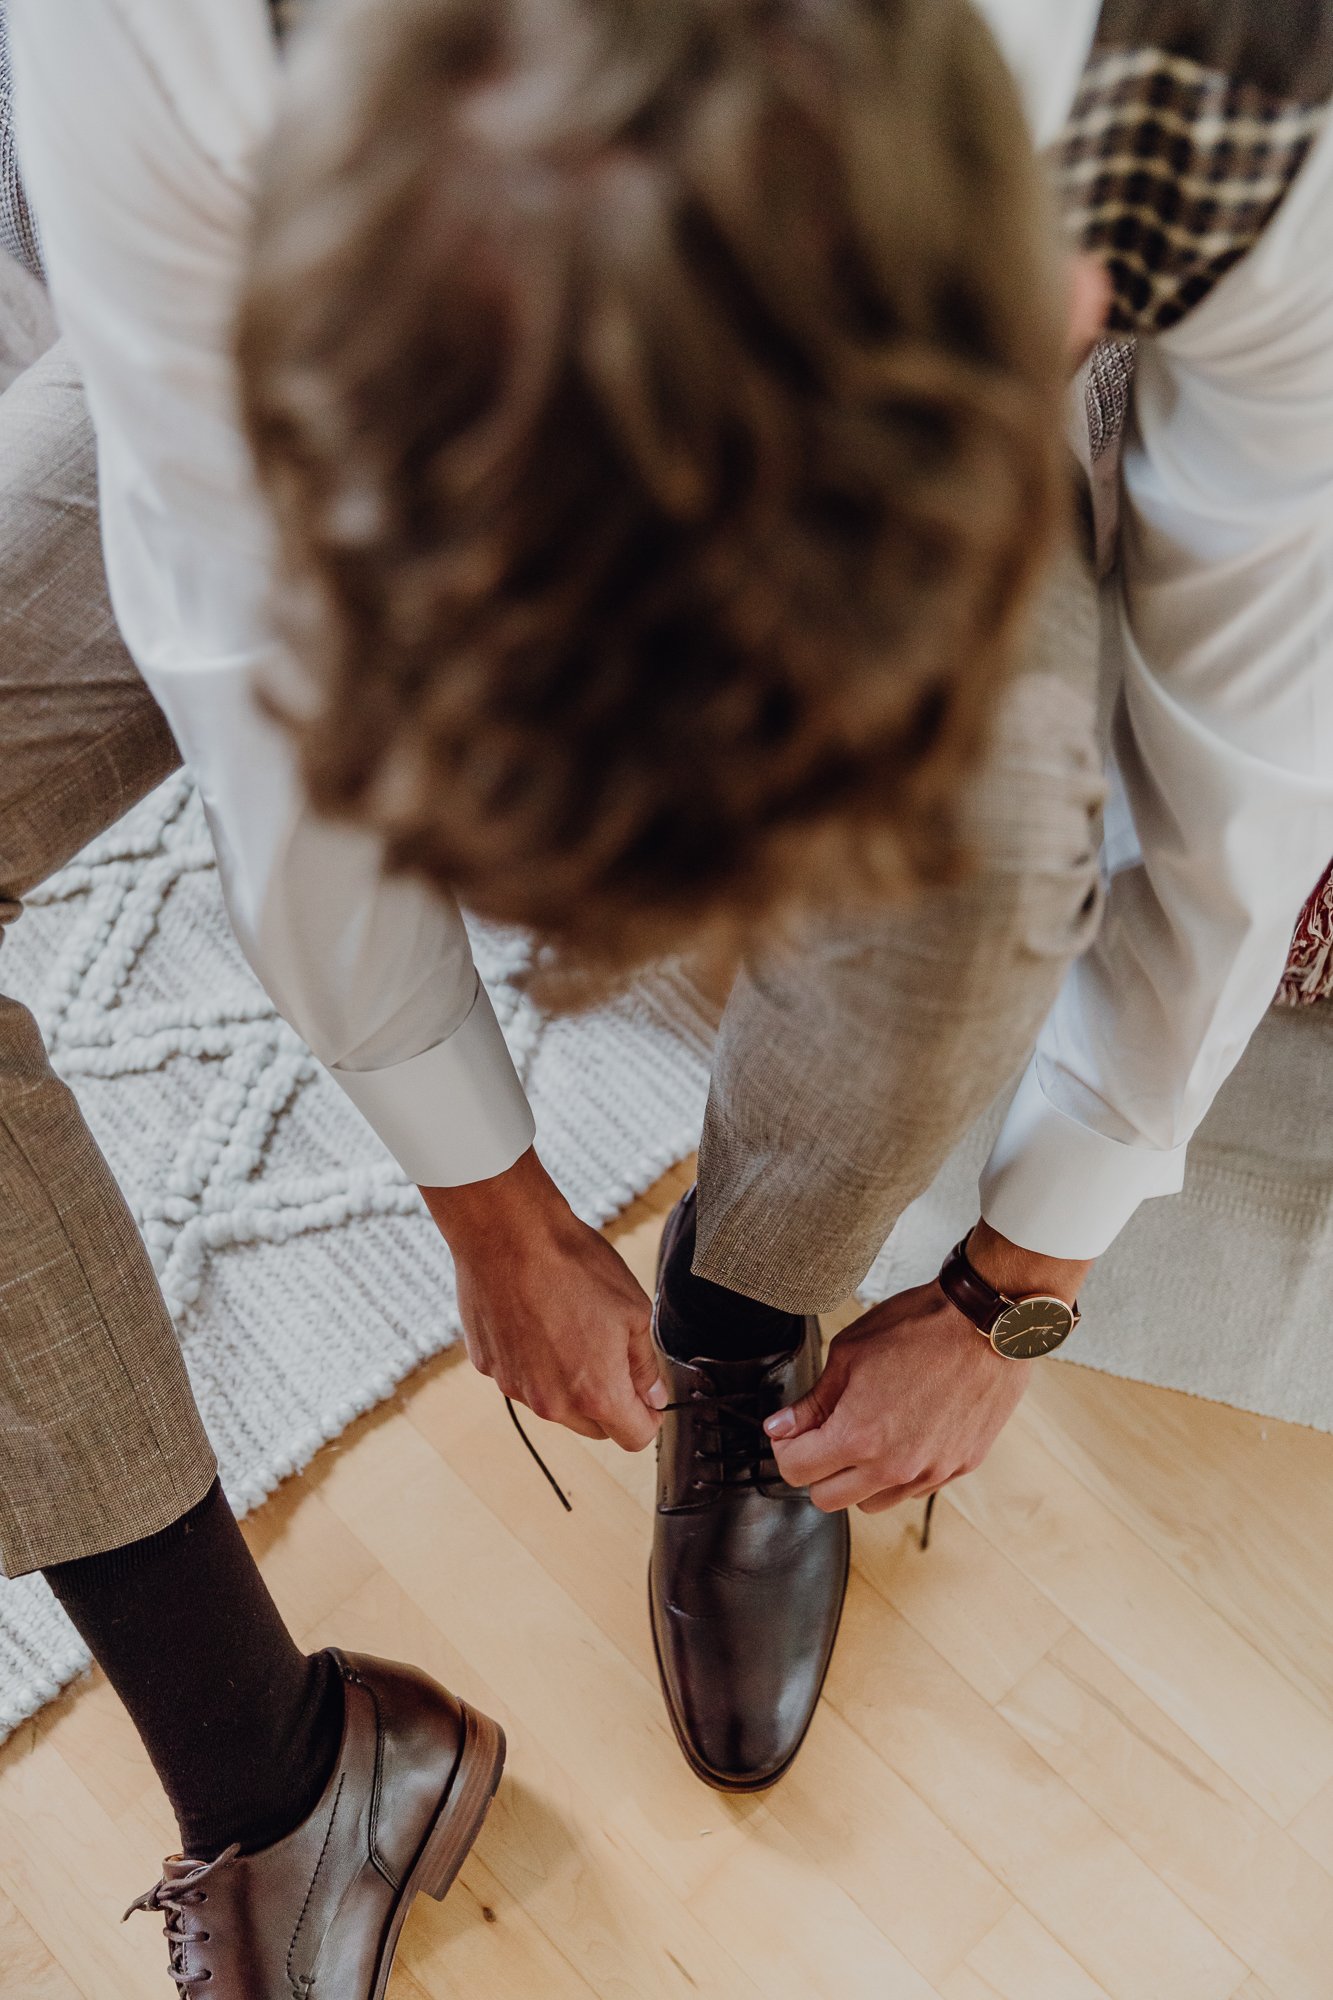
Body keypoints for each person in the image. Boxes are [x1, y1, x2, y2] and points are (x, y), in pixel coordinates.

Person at [3, 0, 1331, 1991]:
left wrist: (1013, 1285)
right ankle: (281, 1772)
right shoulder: (181, 46)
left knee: (979, 836)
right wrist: (484, 1190)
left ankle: (744, 1326)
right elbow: (232, 600)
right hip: (340, 286)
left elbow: (1244, 757)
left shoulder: (1230, 106)